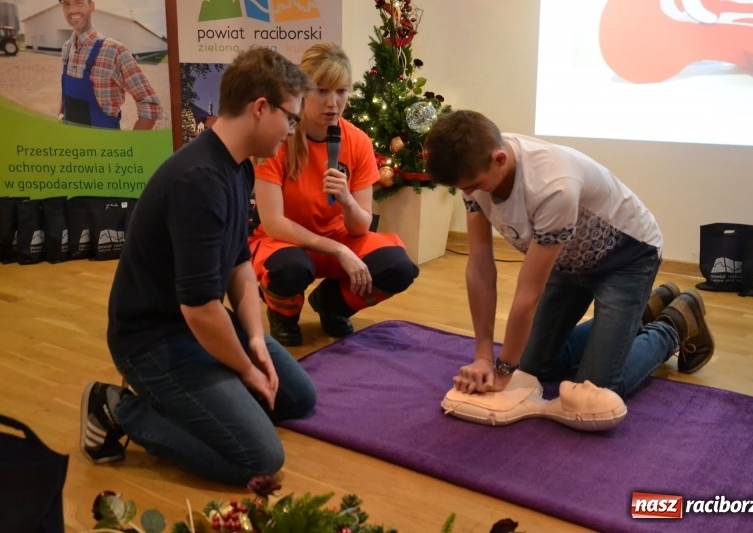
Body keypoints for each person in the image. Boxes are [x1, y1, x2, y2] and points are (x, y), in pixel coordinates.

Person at [79, 47, 316, 487]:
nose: (292, 129)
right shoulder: (198, 181)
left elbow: (240, 265)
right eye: (291, 118)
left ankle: (206, 396)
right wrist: (245, 369)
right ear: (260, 109)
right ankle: (116, 407)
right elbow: (200, 308)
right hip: (153, 342)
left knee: (298, 399)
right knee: (259, 459)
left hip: (195, 325)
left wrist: (254, 341)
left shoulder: (239, 166)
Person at [424, 110, 715, 398]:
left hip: (627, 259)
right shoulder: (475, 163)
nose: (471, 193)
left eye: (474, 186)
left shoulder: (552, 186)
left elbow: (528, 294)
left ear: (499, 159)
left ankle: (675, 324)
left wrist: (503, 369)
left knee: (598, 389)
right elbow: (480, 268)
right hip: (567, 259)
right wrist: (484, 355)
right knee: (537, 366)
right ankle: (644, 310)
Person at [249, 43, 419, 346]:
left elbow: (359, 227)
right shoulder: (280, 136)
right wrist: (338, 250)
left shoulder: (358, 141)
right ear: (301, 90)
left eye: (341, 91)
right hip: (287, 241)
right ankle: (283, 314)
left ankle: (331, 304)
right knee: (289, 270)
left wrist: (347, 200)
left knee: (399, 267)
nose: (333, 102)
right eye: (322, 90)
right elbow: (273, 223)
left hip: (341, 237)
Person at [58, 0, 162, 129]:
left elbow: (150, 104)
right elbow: (67, 94)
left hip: (104, 145)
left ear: (92, 6)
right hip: (72, 142)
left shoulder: (113, 50)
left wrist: (132, 147)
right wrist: (61, 115)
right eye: (66, 4)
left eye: (79, 2)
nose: (73, 10)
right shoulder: (67, 48)